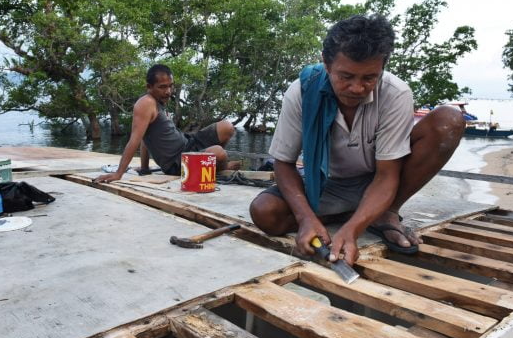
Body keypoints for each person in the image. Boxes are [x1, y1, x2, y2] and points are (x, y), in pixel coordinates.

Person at [249, 15, 465, 266]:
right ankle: (337, 216)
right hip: (324, 184)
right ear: (326, 64)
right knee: (265, 213)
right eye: (346, 76)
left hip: (375, 182)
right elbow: (284, 163)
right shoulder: (301, 91)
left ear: (382, 69)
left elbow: (386, 175)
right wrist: (305, 217)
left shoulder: (396, 94)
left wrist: (352, 231)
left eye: (369, 78)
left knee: (449, 120)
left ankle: (384, 213)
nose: (357, 88)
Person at [94, 64, 239, 183]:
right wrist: (118, 173)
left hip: (188, 143)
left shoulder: (159, 102)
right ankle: (222, 167)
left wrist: (145, 168)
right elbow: (135, 139)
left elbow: (146, 138)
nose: (168, 91)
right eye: (162, 87)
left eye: (171, 86)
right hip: (177, 162)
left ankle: (216, 165)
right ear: (149, 87)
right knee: (219, 153)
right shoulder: (145, 103)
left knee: (227, 127)